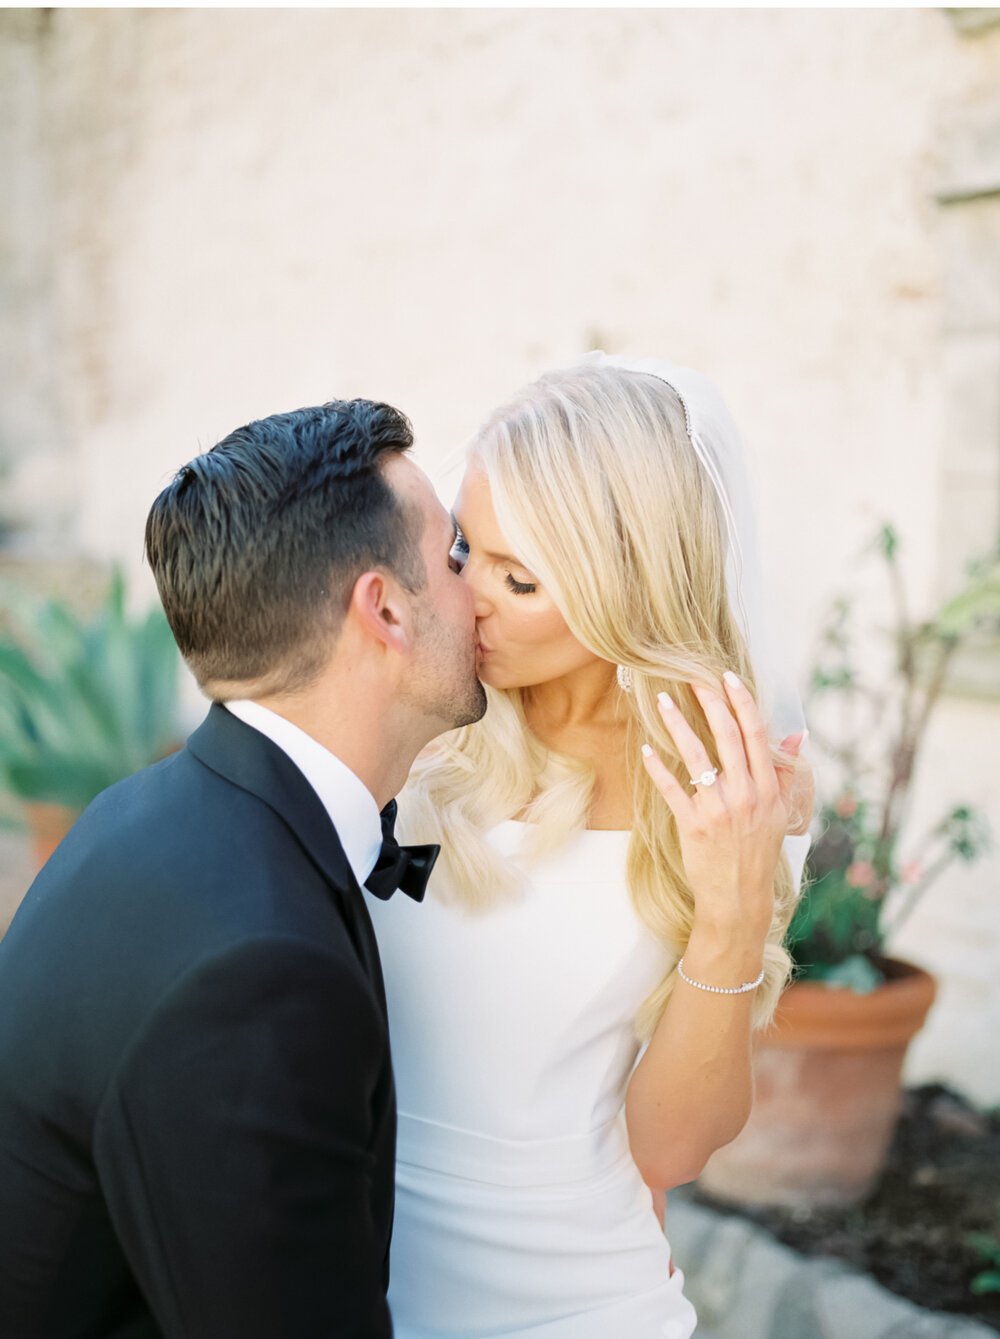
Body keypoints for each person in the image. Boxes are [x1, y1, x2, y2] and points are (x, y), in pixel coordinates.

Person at [0, 399, 485, 1338]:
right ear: (383, 607)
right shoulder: (260, 975)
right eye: (456, 555)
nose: (482, 594)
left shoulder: (145, 811)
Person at [364, 354, 814, 1338]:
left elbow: (670, 1148)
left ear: (629, 594)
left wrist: (733, 906)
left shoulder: (724, 794)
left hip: (581, 1303)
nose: (464, 601)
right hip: (348, 1277)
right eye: (462, 548)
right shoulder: (407, 715)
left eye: (518, 579)